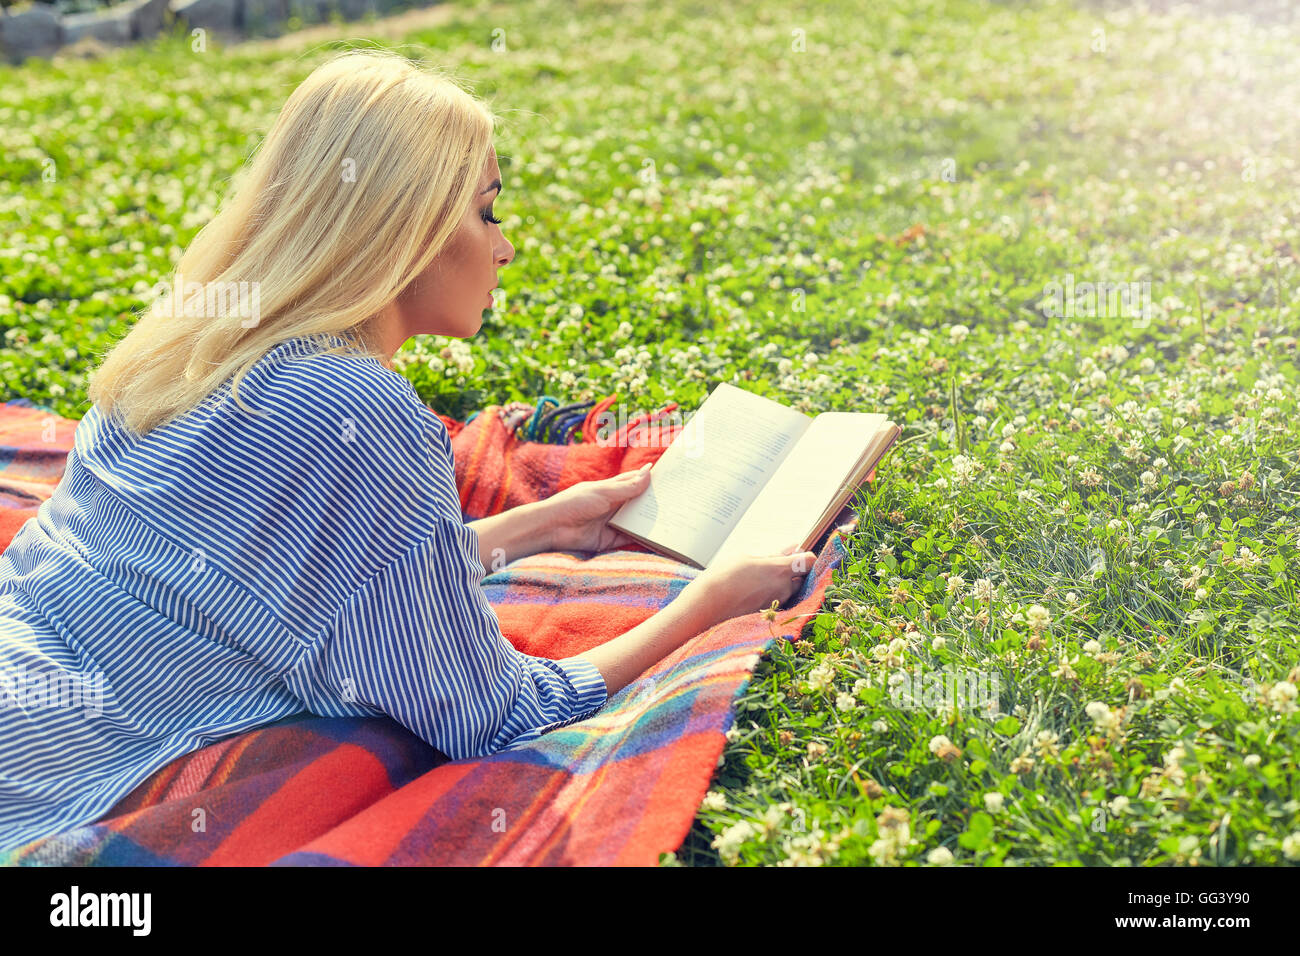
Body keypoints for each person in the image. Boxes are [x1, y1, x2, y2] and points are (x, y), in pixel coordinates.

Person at [0, 49, 815, 854]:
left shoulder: (193, 335)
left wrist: (534, 527)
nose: (504, 247)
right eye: (487, 210)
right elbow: (493, 716)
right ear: (408, 224)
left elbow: (271, 581)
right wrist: (710, 603)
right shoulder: (358, 408)